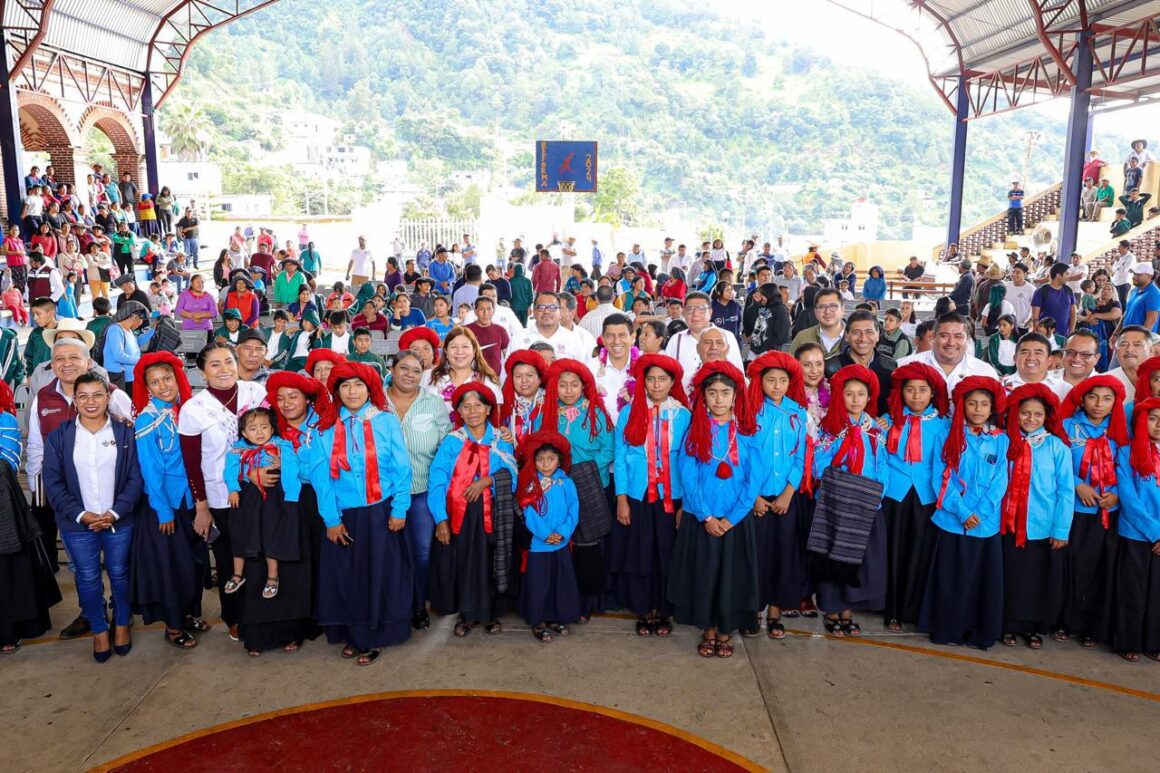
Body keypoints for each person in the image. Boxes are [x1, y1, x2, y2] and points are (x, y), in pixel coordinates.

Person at [303, 362, 415, 665]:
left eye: (358, 385)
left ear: (369, 389)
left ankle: (375, 635)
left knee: (380, 574)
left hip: (381, 513)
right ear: (337, 391)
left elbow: (401, 468)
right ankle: (352, 633)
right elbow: (321, 478)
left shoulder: (385, 421)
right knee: (347, 577)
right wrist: (332, 519)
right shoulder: (325, 427)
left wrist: (399, 508)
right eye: (345, 385)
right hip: (344, 515)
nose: (352, 392)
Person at [44, 373, 144, 661]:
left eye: (98, 395)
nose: (91, 402)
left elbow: (135, 478)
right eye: (83, 396)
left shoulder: (125, 433)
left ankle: (121, 623)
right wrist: (80, 514)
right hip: (77, 525)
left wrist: (115, 512)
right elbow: (53, 482)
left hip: (119, 521)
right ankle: (99, 629)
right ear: (74, 400)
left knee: (120, 573)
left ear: (108, 398)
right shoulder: (60, 436)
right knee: (87, 577)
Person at [669, 361, 760, 658]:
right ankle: (708, 629)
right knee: (705, 575)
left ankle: (725, 631)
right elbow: (688, 475)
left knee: (731, 577)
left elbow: (753, 480)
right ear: (704, 397)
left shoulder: (747, 432)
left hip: (735, 520)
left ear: (735, 396)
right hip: (702, 518)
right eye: (712, 393)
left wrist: (732, 518)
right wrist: (706, 515)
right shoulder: (695, 431)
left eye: (725, 393)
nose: (718, 399)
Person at [178, 344, 269, 642]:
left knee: (262, 554)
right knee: (229, 559)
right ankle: (234, 616)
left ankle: (263, 613)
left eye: (228, 361)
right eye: (215, 365)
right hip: (219, 497)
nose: (224, 369)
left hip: (260, 490)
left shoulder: (255, 392)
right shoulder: (194, 408)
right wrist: (201, 507)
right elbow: (192, 463)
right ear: (202, 372)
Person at [919, 377, 1009, 649]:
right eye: (972, 403)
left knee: (982, 582)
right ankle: (947, 629)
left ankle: (978, 631)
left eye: (984, 404)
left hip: (985, 523)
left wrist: (980, 512)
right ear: (962, 405)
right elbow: (941, 477)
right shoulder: (948, 436)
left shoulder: (1000, 439)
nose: (978, 409)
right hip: (952, 521)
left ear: (992, 408)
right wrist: (961, 511)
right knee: (950, 579)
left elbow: (1000, 480)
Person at [130, 353, 210, 649]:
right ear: (147, 387)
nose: (163, 386)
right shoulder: (147, 419)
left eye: (167, 378)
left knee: (194, 563)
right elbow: (150, 471)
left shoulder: (187, 410)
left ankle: (188, 615)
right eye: (155, 382)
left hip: (192, 501)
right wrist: (163, 511)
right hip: (166, 506)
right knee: (173, 568)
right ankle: (174, 626)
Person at [427, 383, 518, 637]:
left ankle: (489, 614)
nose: (473, 411)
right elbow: (437, 479)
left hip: (493, 514)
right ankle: (466, 616)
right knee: (465, 563)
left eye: (478, 405)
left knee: (490, 561)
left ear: (488, 409)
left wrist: (486, 481)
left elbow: (513, 475)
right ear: (459, 412)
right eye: (466, 407)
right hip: (461, 516)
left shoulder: (500, 440)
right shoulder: (452, 442)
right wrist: (440, 519)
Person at [611, 354, 690, 637]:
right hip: (638, 495)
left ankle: (664, 610)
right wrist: (621, 498)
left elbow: (689, 461)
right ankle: (644, 609)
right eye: (651, 379)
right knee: (640, 553)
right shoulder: (628, 413)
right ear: (643, 382)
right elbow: (620, 458)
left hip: (672, 495)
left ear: (672, 382)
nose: (656, 385)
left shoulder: (683, 415)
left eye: (663, 379)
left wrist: (686, 504)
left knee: (666, 554)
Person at [811, 365, 889, 637]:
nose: (855, 399)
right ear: (839, 396)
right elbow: (818, 464)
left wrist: (876, 492)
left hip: (866, 504)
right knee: (834, 558)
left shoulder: (875, 431)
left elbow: (882, 466)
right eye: (849, 394)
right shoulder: (830, 428)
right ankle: (831, 611)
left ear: (869, 397)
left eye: (861, 394)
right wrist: (842, 484)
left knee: (859, 561)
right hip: (836, 504)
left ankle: (848, 611)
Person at [999, 384, 1074, 649]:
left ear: (1046, 417)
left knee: (1036, 578)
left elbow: (1066, 490)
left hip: (1042, 525)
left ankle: (1033, 627)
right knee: (1010, 575)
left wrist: (1061, 529)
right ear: (1015, 414)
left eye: (1038, 414)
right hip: (1007, 523)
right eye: (1025, 413)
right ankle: (1007, 624)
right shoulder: (1004, 440)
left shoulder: (1057, 447)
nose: (1031, 419)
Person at [878, 363, 950, 631]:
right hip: (894, 495)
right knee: (892, 552)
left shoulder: (944, 424)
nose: (916, 396)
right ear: (901, 392)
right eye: (910, 390)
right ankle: (891, 608)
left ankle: (914, 608)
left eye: (922, 390)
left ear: (932, 393)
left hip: (927, 496)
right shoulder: (889, 420)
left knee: (919, 552)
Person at [543, 358, 615, 621]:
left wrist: (583, 472)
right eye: (563, 385)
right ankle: (563, 598)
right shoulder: (547, 413)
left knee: (588, 543)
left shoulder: (596, 413)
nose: (568, 390)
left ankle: (588, 601)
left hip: (591, 485)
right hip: (557, 486)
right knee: (562, 540)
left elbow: (608, 450)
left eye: (574, 385)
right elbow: (540, 447)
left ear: (584, 386)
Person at [745, 352, 811, 639]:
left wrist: (788, 493)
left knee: (783, 555)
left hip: (785, 498)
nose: (776, 386)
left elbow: (801, 458)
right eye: (771, 380)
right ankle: (753, 611)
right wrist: (754, 497)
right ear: (760, 381)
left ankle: (775, 613)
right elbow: (743, 457)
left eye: (782, 380)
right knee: (755, 555)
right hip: (755, 498)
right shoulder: (749, 411)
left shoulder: (797, 413)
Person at [1058, 375, 1127, 649]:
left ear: (1114, 403)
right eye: (1093, 397)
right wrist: (1077, 485)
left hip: (1107, 510)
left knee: (1100, 568)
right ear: (1082, 399)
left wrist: (1117, 493)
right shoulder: (1067, 426)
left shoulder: (1120, 429)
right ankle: (1064, 621)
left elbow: (1129, 466)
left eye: (1107, 399)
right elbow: (1058, 463)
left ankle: (1091, 626)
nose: (1099, 404)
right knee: (1071, 565)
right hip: (1074, 509)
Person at [222, 408, 301, 632]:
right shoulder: (238, 449)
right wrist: (233, 488)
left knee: (270, 536)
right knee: (239, 534)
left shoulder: (281, 445)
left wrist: (290, 492)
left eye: (264, 427)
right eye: (253, 428)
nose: (259, 433)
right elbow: (230, 469)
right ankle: (237, 574)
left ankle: (273, 577)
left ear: (273, 428)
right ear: (244, 433)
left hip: (274, 499)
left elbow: (292, 468)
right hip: (246, 497)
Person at [0, 380, 61, 654]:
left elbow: (9, 463)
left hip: (2, 503)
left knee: (6, 568)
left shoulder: (5, 420)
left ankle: (7, 629)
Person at [515, 430, 582, 643]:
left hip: (560, 543)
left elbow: (573, 509)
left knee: (559, 582)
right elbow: (527, 511)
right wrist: (544, 534)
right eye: (540, 460)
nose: (545, 464)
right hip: (538, 544)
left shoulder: (566, 482)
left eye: (551, 459)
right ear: (533, 461)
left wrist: (562, 532)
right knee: (539, 583)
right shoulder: (529, 483)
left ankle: (556, 617)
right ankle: (538, 621)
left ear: (559, 460)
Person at [1112, 398, 1160, 661]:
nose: (1158, 424)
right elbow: (1129, 498)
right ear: (1141, 422)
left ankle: (1154, 642)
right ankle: (1129, 641)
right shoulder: (1126, 452)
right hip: (1135, 532)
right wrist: (1155, 531)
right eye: (1152, 418)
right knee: (1134, 589)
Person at [898, 313, 999, 396]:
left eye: (958, 337)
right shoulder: (905, 366)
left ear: (967, 340)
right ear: (934, 338)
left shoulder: (984, 372)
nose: (951, 343)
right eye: (944, 336)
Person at [824, 309, 896, 415]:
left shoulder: (890, 366)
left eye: (869, 332)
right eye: (856, 332)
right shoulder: (830, 367)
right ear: (846, 336)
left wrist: (886, 418)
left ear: (878, 335)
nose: (862, 338)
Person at [424, 326, 501, 412]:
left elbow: (496, 417)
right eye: (453, 347)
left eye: (465, 346)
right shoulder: (431, 377)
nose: (459, 352)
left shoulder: (488, 381)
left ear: (474, 350)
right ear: (445, 351)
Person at [1003, 333, 1070, 401]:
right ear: (1015, 358)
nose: (1031, 358)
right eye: (1025, 352)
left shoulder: (1064, 390)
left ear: (1049, 360)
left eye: (1038, 353)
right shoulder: (1001, 386)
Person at [500, 349, 548, 444]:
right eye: (518, 376)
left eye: (529, 375)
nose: (524, 380)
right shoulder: (504, 404)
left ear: (539, 379)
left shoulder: (552, 402)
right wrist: (500, 430)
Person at [102, 301, 152, 388]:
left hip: (130, 376)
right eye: (141, 320)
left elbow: (137, 342)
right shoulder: (115, 330)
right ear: (135, 317)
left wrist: (153, 329)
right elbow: (119, 356)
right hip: (119, 378)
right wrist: (141, 360)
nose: (141, 324)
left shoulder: (128, 330)